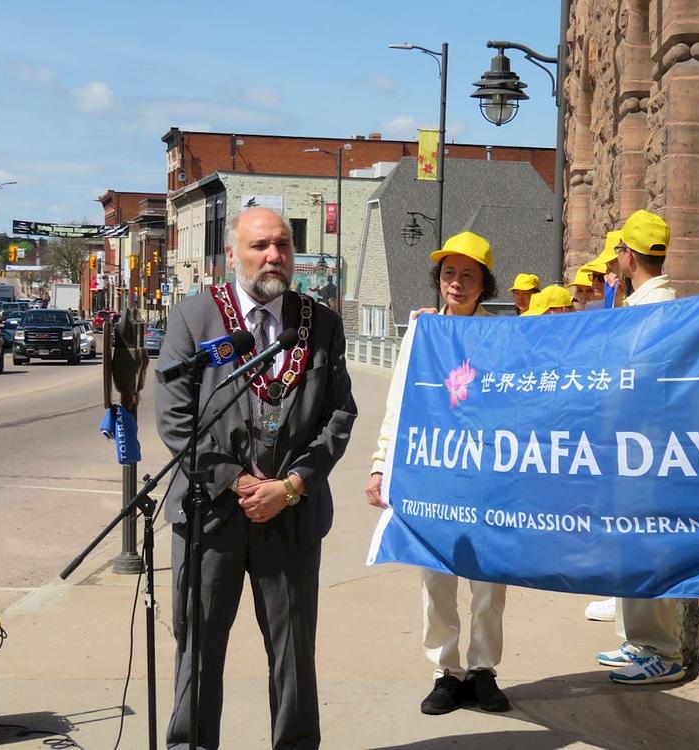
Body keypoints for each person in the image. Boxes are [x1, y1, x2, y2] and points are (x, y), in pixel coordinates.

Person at [155, 206, 357, 750]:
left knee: (293, 653)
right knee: (198, 648)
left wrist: (291, 487)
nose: (274, 256)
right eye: (260, 245)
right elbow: (176, 418)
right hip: (210, 514)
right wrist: (238, 482)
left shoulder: (321, 324)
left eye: (283, 245)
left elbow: (339, 417)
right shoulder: (195, 319)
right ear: (232, 255)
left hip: (291, 513)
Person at [365, 231, 511, 716]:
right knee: (436, 576)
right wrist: (381, 465)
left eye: (468, 275)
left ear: (484, 284)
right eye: (449, 273)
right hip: (433, 472)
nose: (456, 283)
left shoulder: (500, 337)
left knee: (489, 579)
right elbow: (399, 403)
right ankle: (445, 671)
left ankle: (483, 669)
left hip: (487, 475)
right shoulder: (421, 334)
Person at [593, 209, 687, 685]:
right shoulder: (646, 303)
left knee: (645, 547)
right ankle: (639, 640)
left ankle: (662, 650)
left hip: (646, 451)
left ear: (628, 256)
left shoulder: (658, 306)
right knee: (630, 545)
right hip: (633, 447)